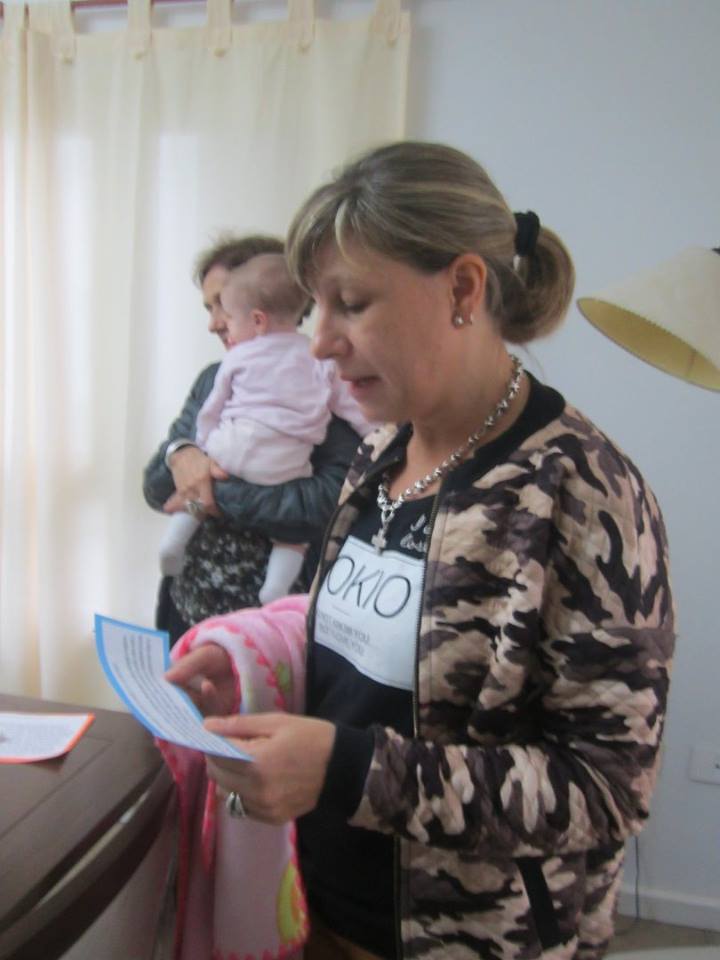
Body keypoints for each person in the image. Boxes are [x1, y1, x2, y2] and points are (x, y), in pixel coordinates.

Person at [165, 142, 675, 960]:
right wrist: (250, 661)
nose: (319, 342)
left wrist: (348, 772)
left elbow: (607, 788)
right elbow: (360, 631)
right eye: (314, 308)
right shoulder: (381, 450)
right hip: (320, 907)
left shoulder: (582, 493)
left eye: (350, 304)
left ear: (464, 289)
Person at [143, 234, 362, 644]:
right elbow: (155, 487)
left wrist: (207, 493)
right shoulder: (215, 376)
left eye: (221, 304)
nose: (214, 322)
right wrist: (180, 452)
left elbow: (323, 506)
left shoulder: (321, 383)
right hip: (185, 609)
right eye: (209, 307)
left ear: (260, 308)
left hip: (273, 633)